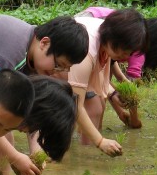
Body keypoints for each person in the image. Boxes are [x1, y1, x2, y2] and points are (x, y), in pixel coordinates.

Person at [0, 14, 124, 160]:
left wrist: (36, 150)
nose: (56, 72)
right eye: (58, 65)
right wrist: (15, 158)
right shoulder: (10, 56)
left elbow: (30, 109)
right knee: (2, 141)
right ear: (44, 43)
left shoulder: (33, 58)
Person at [63, 9, 148, 146]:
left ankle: (84, 151)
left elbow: (98, 78)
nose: (126, 58)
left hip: (67, 64)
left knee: (98, 106)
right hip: (53, 66)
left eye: (129, 53)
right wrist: (100, 142)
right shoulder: (86, 48)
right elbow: (75, 103)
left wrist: (113, 94)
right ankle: (76, 156)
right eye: (124, 52)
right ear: (114, 39)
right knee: (88, 110)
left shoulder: (105, 40)